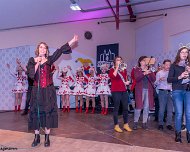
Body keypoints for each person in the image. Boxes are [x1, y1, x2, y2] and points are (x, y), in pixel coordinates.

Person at [27, 35, 78, 147]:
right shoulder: (32, 60)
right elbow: (31, 75)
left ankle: (47, 137)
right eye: (41, 47)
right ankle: (36, 137)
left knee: (48, 113)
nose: (43, 49)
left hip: (48, 91)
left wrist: (72, 41)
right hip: (37, 91)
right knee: (36, 113)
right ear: (37, 49)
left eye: (44, 48)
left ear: (46, 50)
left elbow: (60, 50)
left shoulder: (50, 59)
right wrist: (37, 63)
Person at [167, 46, 190, 143]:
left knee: (189, 114)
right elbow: (169, 79)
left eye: (186, 52)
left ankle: (189, 134)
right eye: (182, 52)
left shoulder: (189, 65)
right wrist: (180, 76)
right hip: (177, 91)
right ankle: (178, 135)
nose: (184, 54)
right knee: (179, 113)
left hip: (188, 91)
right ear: (179, 54)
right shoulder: (174, 65)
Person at [109, 56, 132, 133]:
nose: (119, 61)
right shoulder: (111, 69)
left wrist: (126, 82)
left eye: (120, 60)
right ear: (115, 61)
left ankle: (126, 124)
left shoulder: (124, 69)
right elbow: (114, 76)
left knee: (125, 108)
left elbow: (124, 79)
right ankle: (116, 125)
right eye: (117, 60)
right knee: (117, 108)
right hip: (115, 91)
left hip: (124, 90)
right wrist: (117, 67)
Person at [133, 56, 156, 130]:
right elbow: (137, 78)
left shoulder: (149, 69)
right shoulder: (136, 69)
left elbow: (154, 79)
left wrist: (150, 71)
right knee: (138, 107)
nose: (145, 62)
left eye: (146, 60)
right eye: (143, 60)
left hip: (148, 90)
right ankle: (135, 122)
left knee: (146, 107)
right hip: (140, 90)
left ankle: (144, 123)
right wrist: (144, 73)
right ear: (140, 62)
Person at [155, 59, 174, 131]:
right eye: (166, 65)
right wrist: (159, 79)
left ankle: (169, 124)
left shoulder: (172, 73)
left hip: (170, 92)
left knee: (170, 109)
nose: (168, 66)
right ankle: (160, 124)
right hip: (162, 92)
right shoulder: (159, 73)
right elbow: (155, 83)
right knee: (162, 109)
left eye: (169, 65)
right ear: (163, 65)